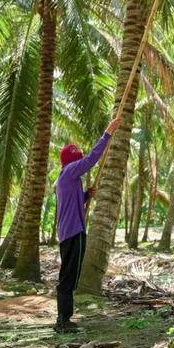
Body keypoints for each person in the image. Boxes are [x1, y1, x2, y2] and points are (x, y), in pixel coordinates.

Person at [54, 117, 120, 333]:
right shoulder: (71, 171)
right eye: (77, 159)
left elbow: (70, 204)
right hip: (73, 233)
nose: (80, 162)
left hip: (68, 232)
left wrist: (84, 196)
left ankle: (64, 319)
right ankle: (63, 321)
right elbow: (92, 158)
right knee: (68, 277)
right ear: (72, 161)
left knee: (69, 275)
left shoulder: (65, 177)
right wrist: (107, 133)